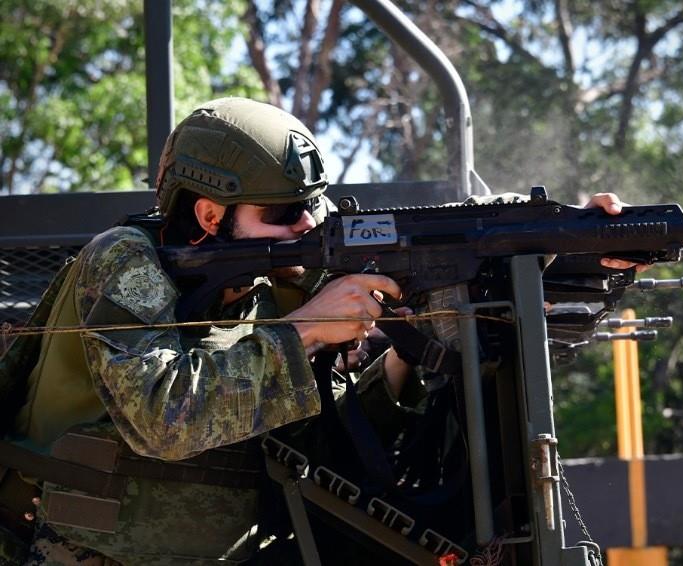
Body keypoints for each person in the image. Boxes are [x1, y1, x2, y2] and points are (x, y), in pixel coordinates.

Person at [0, 96, 635, 566]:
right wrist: (305, 329)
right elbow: (165, 419)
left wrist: (403, 362)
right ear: (208, 213)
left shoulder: (274, 283)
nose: (308, 224)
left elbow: (313, 445)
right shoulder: (122, 260)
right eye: (282, 213)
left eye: (313, 204)